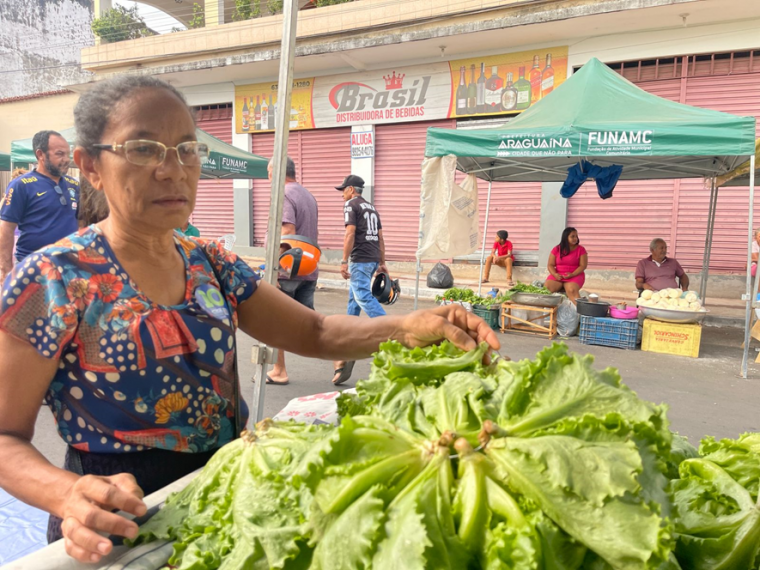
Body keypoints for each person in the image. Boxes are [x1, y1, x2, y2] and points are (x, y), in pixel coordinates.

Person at [0, 75, 499, 565]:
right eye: (144, 149)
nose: (173, 170)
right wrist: (67, 494)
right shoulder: (51, 280)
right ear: (90, 166)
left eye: (186, 149)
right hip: (118, 514)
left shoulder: (209, 260)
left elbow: (314, 330)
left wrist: (409, 327)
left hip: (228, 487)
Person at [266, 156, 319, 386]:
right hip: (308, 267)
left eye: (269, 173)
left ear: (277, 172)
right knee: (311, 322)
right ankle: (339, 357)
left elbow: (287, 229)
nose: (268, 179)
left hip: (288, 269)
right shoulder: (307, 194)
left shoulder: (284, 193)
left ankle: (279, 370)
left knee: (276, 320)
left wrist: (275, 267)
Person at [0, 131, 79, 281]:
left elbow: (81, 223)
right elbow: (6, 228)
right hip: (32, 269)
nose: (66, 159)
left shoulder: (74, 185)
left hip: (69, 268)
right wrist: (5, 271)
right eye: (60, 154)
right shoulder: (21, 186)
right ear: (40, 154)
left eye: (68, 154)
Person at [332, 174, 388, 385]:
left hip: (360, 258)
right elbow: (381, 237)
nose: (343, 194)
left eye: (344, 190)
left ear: (352, 189)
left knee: (362, 296)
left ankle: (388, 330)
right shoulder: (372, 207)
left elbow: (350, 234)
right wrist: (382, 262)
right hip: (372, 258)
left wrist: (344, 260)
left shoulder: (350, 205)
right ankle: (349, 344)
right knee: (353, 301)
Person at [544, 227, 588, 304]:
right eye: (572, 236)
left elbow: (583, 266)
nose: (575, 238)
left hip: (575, 275)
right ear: (565, 237)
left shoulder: (581, 249)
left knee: (571, 290)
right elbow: (550, 265)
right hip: (558, 275)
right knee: (546, 289)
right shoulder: (556, 249)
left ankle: (581, 313)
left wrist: (572, 274)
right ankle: (548, 313)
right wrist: (555, 274)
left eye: (576, 236)